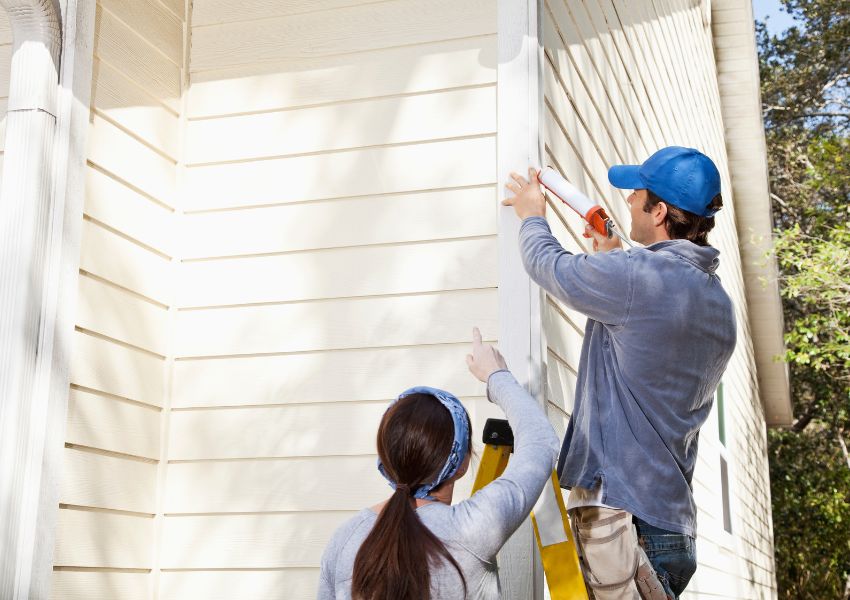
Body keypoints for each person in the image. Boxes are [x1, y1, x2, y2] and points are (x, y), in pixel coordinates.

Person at [502, 147, 737, 600]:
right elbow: (647, 343)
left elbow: (547, 265)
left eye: (637, 192)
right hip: (672, 527)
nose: (627, 198)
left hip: (623, 521)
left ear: (661, 211)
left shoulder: (638, 277)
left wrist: (532, 216)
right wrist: (612, 255)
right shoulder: (718, 303)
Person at [318, 327, 559, 600]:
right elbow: (540, 442)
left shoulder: (344, 540)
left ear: (386, 458)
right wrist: (495, 375)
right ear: (462, 463)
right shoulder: (470, 529)